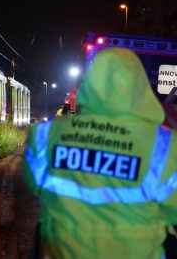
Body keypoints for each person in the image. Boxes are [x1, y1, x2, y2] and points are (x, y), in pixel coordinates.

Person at [24, 47, 177, 259]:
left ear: (90, 83)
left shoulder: (47, 134)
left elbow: (34, 183)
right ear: (139, 87)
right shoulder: (165, 144)